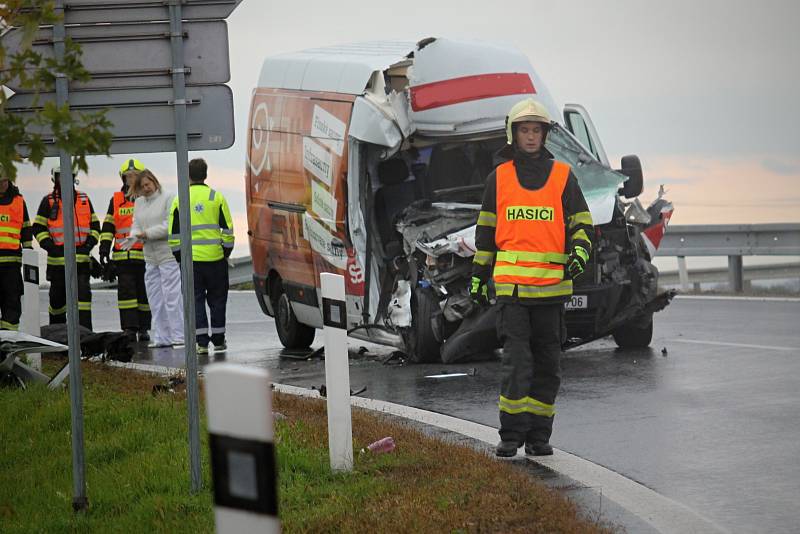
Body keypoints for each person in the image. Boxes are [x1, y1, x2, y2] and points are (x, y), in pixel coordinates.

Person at [470, 98, 594, 457]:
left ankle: (539, 437)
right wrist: (479, 278)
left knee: (547, 367)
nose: (530, 136)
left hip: (552, 292)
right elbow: (486, 234)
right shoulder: (499, 179)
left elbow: (582, 224)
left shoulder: (563, 176)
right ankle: (511, 436)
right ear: (513, 134)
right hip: (513, 292)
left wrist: (581, 252)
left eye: (536, 130)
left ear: (545, 135)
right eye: (524, 130)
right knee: (516, 364)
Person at [168, 158, 234, 355]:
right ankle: (219, 340)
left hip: (192, 262)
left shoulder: (180, 199)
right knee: (218, 300)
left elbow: (173, 234)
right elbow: (227, 230)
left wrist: (180, 258)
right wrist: (225, 252)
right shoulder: (216, 197)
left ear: (188, 175)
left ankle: (202, 343)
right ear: (205, 174)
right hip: (215, 260)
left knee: (195, 300)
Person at [32, 166, 100, 330]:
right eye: (61, 176)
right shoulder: (47, 201)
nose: (64, 180)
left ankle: (85, 340)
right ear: (55, 178)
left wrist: (89, 245)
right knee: (57, 303)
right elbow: (38, 228)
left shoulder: (84, 199)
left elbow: (96, 226)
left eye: (67, 176)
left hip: (81, 264)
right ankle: (57, 341)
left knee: (83, 302)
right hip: (57, 265)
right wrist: (51, 247)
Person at [129, 168, 184, 348]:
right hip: (150, 256)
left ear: (154, 181)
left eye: (148, 183)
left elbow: (169, 225)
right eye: (142, 186)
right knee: (155, 298)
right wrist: (134, 235)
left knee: (172, 297)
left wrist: (146, 234)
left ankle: (179, 335)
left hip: (167, 254)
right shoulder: (139, 203)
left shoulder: (168, 197)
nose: (146, 188)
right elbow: (135, 223)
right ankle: (162, 336)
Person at [100, 158, 151, 341]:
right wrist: (104, 250)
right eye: (128, 176)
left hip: (144, 255)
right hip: (122, 257)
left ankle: (144, 328)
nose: (131, 179)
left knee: (144, 293)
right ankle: (129, 328)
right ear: (123, 178)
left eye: (134, 176)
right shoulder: (116, 200)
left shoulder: (147, 199)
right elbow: (108, 226)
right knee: (126, 294)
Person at [0, 173, 33, 331]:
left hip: (12, 264)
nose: (2, 184)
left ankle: (9, 344)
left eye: (4, 181)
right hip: (10, 262)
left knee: (12, 303)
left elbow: (26, 228)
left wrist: (28, 253)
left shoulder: (19, 201)